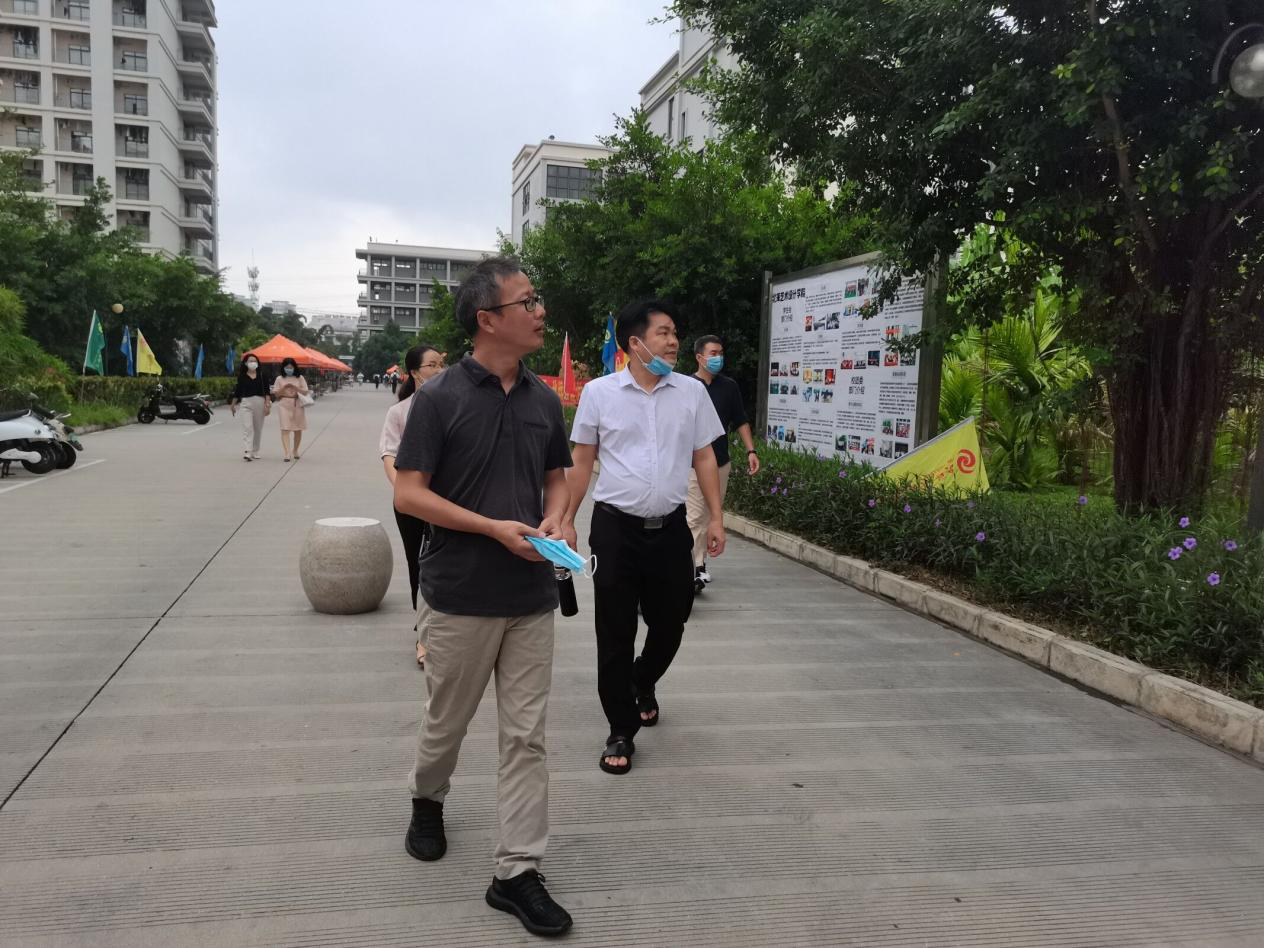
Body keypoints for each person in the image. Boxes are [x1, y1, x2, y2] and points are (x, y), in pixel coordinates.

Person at [393, 256, 574, 937]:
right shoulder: (439, 398)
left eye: (538, 298)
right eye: (528, 301)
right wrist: (492, 528)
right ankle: (427, 798)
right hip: (460, 595)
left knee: (526, 737)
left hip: (531, 595)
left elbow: (556, 477)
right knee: (447, 722)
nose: (540, 311)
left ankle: (517, 872)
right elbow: (408, 493)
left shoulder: (544, 399)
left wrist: (558, 518)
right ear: (487, 319)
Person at [562, 298, 725, 776]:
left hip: (671, 528)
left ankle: (643, 678)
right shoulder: (599, 393)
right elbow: (581, 460)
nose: (674, 341)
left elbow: (705, 457)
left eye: (675, 333)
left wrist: (717, 517)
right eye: (663, 333)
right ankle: (620, 727)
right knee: (614, 631)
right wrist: (567, 518)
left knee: (672, 620)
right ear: (635, 343)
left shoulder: (692, 392)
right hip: (615, 529)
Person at [380, 344, 445, 666]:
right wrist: (406, 492)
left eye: (441, 364)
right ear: (415, 373)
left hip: (447, 502)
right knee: (417, 564)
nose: (439, 370)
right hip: (411, 503)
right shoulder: (400, 412)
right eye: (432, 365)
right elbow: (388, 455)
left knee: (445, 563)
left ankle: (446, 628)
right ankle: (423, 635)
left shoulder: (453, 407)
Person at [688, 335, 759, 594]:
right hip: (691, 465)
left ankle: (699, 562)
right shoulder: (686, 386)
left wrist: (751, 450)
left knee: (710, 516)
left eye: (721, 352)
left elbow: (740, 420)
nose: (718, 357)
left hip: (720, 463)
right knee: (693, 517)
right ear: (699, 357)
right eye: (713, 353)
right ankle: (693, 568)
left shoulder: (729, 387)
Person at [228, 355, 269, 461]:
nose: (253, 363)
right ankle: (248, 451)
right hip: (246, 403)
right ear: (246, 363)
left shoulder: (262, 375)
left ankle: (255, 451)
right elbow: (238, 391)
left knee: (258, 429)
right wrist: (233, 405)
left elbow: (267, 392)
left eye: (255, 361)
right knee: (248, 427)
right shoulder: (242, 376)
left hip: (260, 402)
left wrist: (267, 405)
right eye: (250, 361)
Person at [271, 357, 309, 462]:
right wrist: (284, 387)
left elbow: (305, 391)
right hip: (284, 404)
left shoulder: (300, 378)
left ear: (294, 367)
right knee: (285, 428)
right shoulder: (279, 379)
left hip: (297, 404)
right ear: (283, 368)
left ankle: (295, 450)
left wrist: (295, 387)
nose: (289, 369)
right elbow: (276, 394)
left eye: (291, 367)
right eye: (287, 367)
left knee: (298, 429)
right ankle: (287, 453)